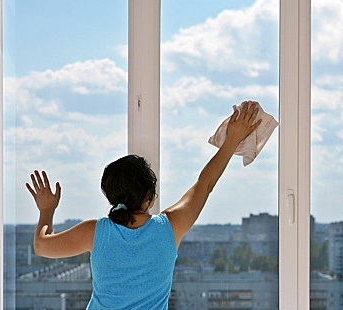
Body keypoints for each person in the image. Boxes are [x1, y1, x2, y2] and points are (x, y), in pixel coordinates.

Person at [26, 101, 262, 309]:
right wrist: (231, 141)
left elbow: (42, 246)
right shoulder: (170, 227)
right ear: (149, 195)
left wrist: (47, 211)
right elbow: (205, 183)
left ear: (110, 196)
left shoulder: (94, 232)